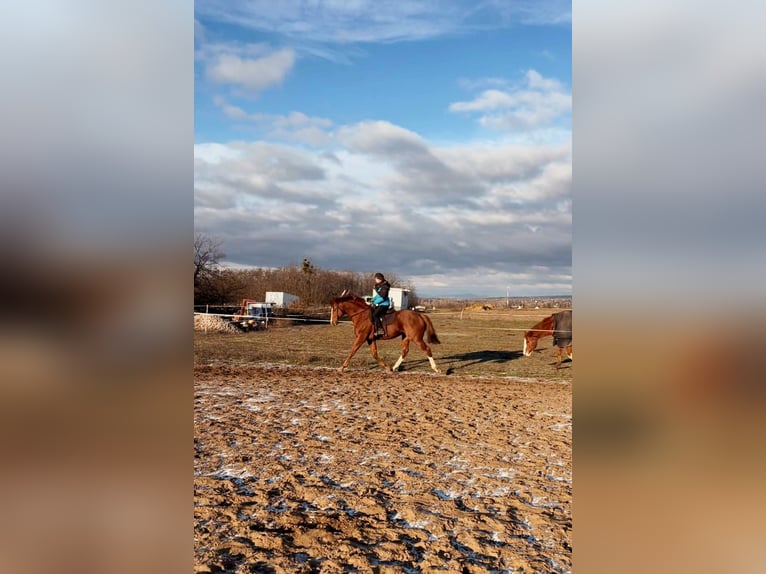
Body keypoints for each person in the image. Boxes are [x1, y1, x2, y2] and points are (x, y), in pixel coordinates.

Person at [370, 272, 391, 337]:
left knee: (375, 315)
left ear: (379, 279)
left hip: (384, 304)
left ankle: (380, 329)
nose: (375, 280)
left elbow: (383, 297)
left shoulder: (385, 287)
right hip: (381, 304)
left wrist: (375, 302)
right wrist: (372, 300)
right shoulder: (380, 286)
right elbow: (378, 295)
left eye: (375, 279)